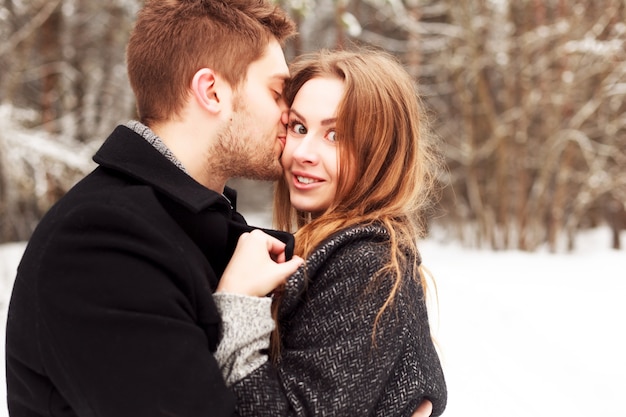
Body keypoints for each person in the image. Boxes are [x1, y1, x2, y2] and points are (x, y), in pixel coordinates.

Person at [4, 0, 303, 415]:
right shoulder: (98, 242)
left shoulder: (198, 226)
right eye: (276, 92)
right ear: (211, 91)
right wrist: (235, 310)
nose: (290, 115)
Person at [212, 49, 448, 416]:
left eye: (335, 135)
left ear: (382, 153)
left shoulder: (368, 265)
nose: (303, 152)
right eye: (299, 127)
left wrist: (236, 306)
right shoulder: (341, 252)